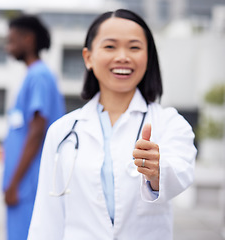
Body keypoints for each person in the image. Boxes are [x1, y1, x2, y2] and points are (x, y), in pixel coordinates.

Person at [28, 9, 197, 240]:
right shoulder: (63, 131)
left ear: (148, 58)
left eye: (134, 47)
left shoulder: (169, 123)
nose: (123, 57)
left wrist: (157, 172)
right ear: (88, 57)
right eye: (110, 46)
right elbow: (47, 216)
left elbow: (181, 173)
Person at [3, 15, 65, 240]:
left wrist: (14, 183)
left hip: (27, 184)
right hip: (25, 182)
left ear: (28, 39)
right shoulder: (34, 75)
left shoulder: (39, 76)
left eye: (11, 40)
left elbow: (36, 132)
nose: (7, 47)